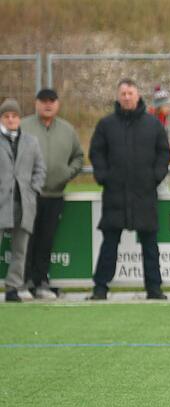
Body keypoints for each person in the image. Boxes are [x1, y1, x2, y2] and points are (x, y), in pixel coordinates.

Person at [88, 78, 170, 300]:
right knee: (109, 244)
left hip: (145, 194)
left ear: (138, 95)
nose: (126, 97)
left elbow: (164, 152)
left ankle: (154, 289)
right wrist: (103, 176)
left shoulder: (153, 124)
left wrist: (155, 176)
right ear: (118, 96)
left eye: (130, 93)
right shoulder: (106, 124)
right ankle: (100, 288)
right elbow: (96, 152)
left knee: (150, 245)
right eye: (123, 93)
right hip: (114, 195)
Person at [21, 88, 84, 300]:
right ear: (36, 103)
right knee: (26, 240)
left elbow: (78, 156)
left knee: (46, 240)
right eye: (43, 101)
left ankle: (41, 282)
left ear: (57, 104)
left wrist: (67, 173)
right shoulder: (24, 126)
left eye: (52, 101)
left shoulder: (67, 129)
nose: (48, 105)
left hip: (55, 195)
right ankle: (24, 281)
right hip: (28, 196)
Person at [0, 98, 46, 302]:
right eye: (6, 116)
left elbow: (40, 169)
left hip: (24, 203)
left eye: (14, 116)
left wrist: (33, 189)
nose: (11, 119)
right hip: (1, 203)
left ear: (19, 118)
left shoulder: (31, 141)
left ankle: (12, 287)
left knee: (20, 249)